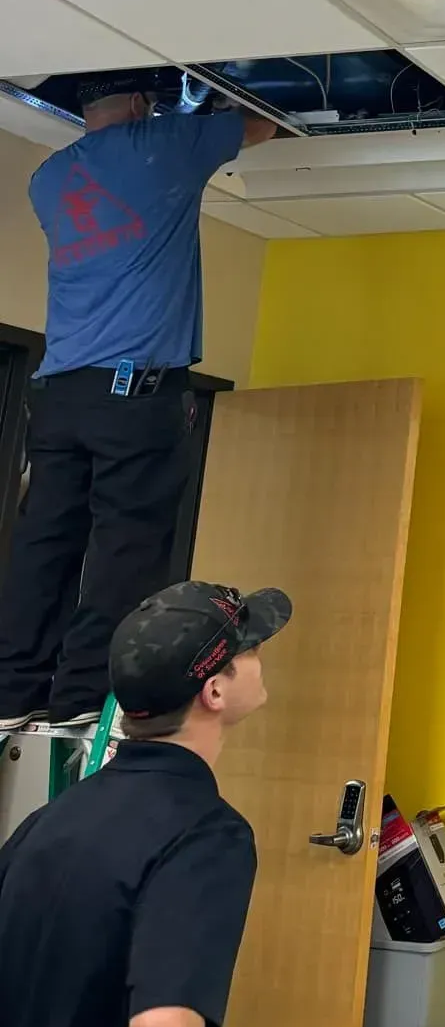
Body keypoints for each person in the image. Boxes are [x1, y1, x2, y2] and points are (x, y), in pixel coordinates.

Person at [0, 73, 276, 731]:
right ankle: (81, 704)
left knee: (46, 546)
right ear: (139, 104)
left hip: (61, 392)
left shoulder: (49, 177)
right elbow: (262, 125)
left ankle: (12, 694)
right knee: (125, 550)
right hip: (132, 395)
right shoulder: (162, 146)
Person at [0, 580, 290, 1027]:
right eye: (250, 651)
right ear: (213, 690)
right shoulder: (206, 835)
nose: (261, 659)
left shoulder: (48, 823)